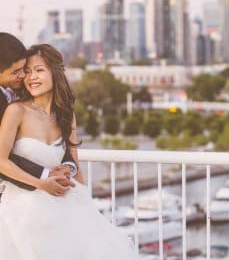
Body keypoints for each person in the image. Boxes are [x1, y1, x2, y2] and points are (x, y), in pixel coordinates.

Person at [0, 44, 138, 259]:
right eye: (27, 72)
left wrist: (82, 196)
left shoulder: (66, 114)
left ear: (54, 72)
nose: (31, 77)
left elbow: (74, 160)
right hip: (24, 209)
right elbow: (1, 160)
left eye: (39, 70)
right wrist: (40, 183)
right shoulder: (16, 111)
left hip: (65, 201)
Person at [0, 32, 74, 194]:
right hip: (20, 194)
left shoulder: (18, 93)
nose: (24, 76)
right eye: (16, 71)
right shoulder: (16, 110)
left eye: (23, 70)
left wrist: (68, 168)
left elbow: (69, 152)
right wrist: (44, 177)